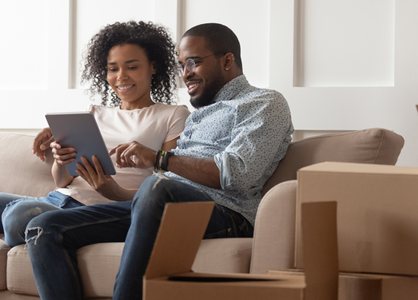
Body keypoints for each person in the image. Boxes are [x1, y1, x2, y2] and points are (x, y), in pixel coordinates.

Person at [25, 23, 294, 300]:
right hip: (164, 205)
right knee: (43, 228)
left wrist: (158, 159)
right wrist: (112, 191)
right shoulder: (199, 115)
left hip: (224, 213)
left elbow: (237, 174)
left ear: (227, 61)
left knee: (158, 185)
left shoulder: (264, 102)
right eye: (181, 65)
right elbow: (160, 194)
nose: (185, 73)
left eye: (194, 62)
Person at [0, 21, 190, 247]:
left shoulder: (173, 115)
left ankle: (5, 236)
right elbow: (62, 180)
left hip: (95, 211)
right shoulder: (94, 113)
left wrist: (116, 191)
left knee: (18, 215)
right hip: (57, 200)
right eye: (113, 68)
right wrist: (62, 160)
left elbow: (168, 187)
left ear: (153, 66)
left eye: (131, 67)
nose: (121, 76)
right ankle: (16, 234)